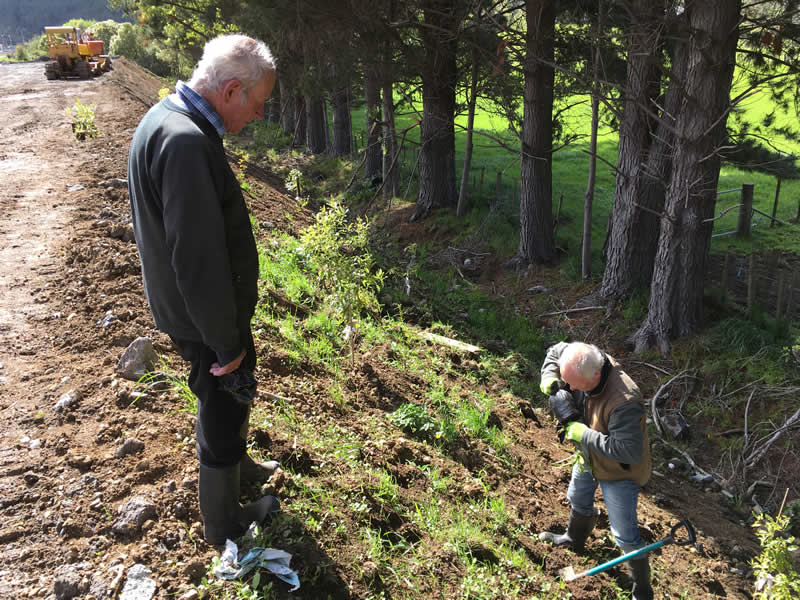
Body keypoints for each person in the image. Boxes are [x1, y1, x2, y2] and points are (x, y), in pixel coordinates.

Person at [128, 34, 279, 545]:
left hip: (189, 308)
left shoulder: (166, 117)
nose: (257, 117)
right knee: (221, 401)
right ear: (232, 90)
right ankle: (225, 522)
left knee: (228, 397)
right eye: (257, 105)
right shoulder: (188, 143)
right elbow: (197, 260)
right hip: (203, 315)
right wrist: (226, 341)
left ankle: (240, 468)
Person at [538, 342, 653, 600]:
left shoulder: (625, 401)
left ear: (597, 375)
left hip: (619, 470)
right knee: (578, 497)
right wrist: (550, 378)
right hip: (589, 457)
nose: (573, 390)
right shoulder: (583, 357)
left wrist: (584, 434)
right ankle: (573, 539)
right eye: (570, 383)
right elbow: (555, 352)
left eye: (577, 385)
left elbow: (628, 451)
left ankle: (643, 589)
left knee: (624, 533)